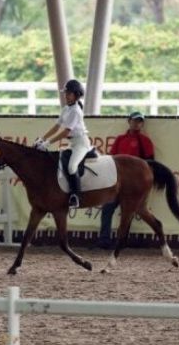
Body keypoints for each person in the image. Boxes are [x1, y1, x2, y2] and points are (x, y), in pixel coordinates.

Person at [100, 111, 156, 245]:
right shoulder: (120, 139)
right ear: (129, 121)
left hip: (132, 184)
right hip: (117, 181)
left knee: (127, 213)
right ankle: (104, 240)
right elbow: (111, 158)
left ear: (142, 124)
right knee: (107, 209)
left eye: (139, 121)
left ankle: (121, 241)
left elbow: (150, 163)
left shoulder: (145, 141)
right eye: (135, 120)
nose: (137, 124)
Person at [35, 79, 91, 208]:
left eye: (69, 93)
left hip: (81, 143)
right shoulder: (66, 109)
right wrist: (42, 139)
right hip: (72, 144)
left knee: (72, 167)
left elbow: (65, 132)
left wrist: (48, 143)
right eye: (65, 93)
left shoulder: (76, 111)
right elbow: (56, 127)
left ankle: (75, 196)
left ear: (76, 95)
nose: (66, 96)